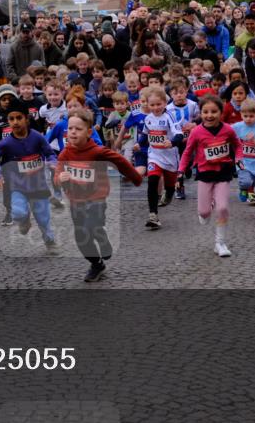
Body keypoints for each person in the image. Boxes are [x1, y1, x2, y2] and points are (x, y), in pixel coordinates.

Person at [56, 108, 142, 282]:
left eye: (78, 129)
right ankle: (96, 264)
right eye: (70, 128)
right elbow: (58, 173)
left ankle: (102, 238)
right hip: (76, 199)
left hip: (96, 197)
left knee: (91, 225)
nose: (73, 132)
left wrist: (135, 177)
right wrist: (59, 178)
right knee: (81, 237)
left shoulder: (97, 152)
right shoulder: (65, 153)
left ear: (89, 132)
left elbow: (120, 161)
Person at [0, 97, 60, 252]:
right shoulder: (6, 143)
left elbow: (50, 153)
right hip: (17, 186)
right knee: (18, 213)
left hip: (38, 184)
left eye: (19, 118)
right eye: (11, 119)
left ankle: (50, 241)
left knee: (43, 218)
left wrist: (53, 162)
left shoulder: (37, 137)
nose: (15, 122)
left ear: (26, 119)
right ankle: (24, 220)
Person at [179, 94, 241, 257]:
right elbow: (187, 152)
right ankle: (206, 208)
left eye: (214, 111)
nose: (209, 115)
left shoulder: (228, 129)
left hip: (223, 172)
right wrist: (180, 171)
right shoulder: (196, 132)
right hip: (205, 173)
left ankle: (220, 243)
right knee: (204, 212)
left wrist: (239, 159)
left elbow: (238, 145)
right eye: (205, 112)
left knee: (223, 208)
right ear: (200, 113)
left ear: (221, 112)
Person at [142, 87, 184, 230]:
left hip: (170, 157)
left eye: (158, 104)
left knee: (170, 186)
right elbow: (145, 135)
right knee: (152, 181)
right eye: (152, 105)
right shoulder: (148, 118)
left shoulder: (169, 117)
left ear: (165, 103)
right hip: (154, 156)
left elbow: (179, 135)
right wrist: (139, 144)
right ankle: (153, 215)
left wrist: (172, 142)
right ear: (148, 105)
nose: (155, 108)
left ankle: (170, 193)